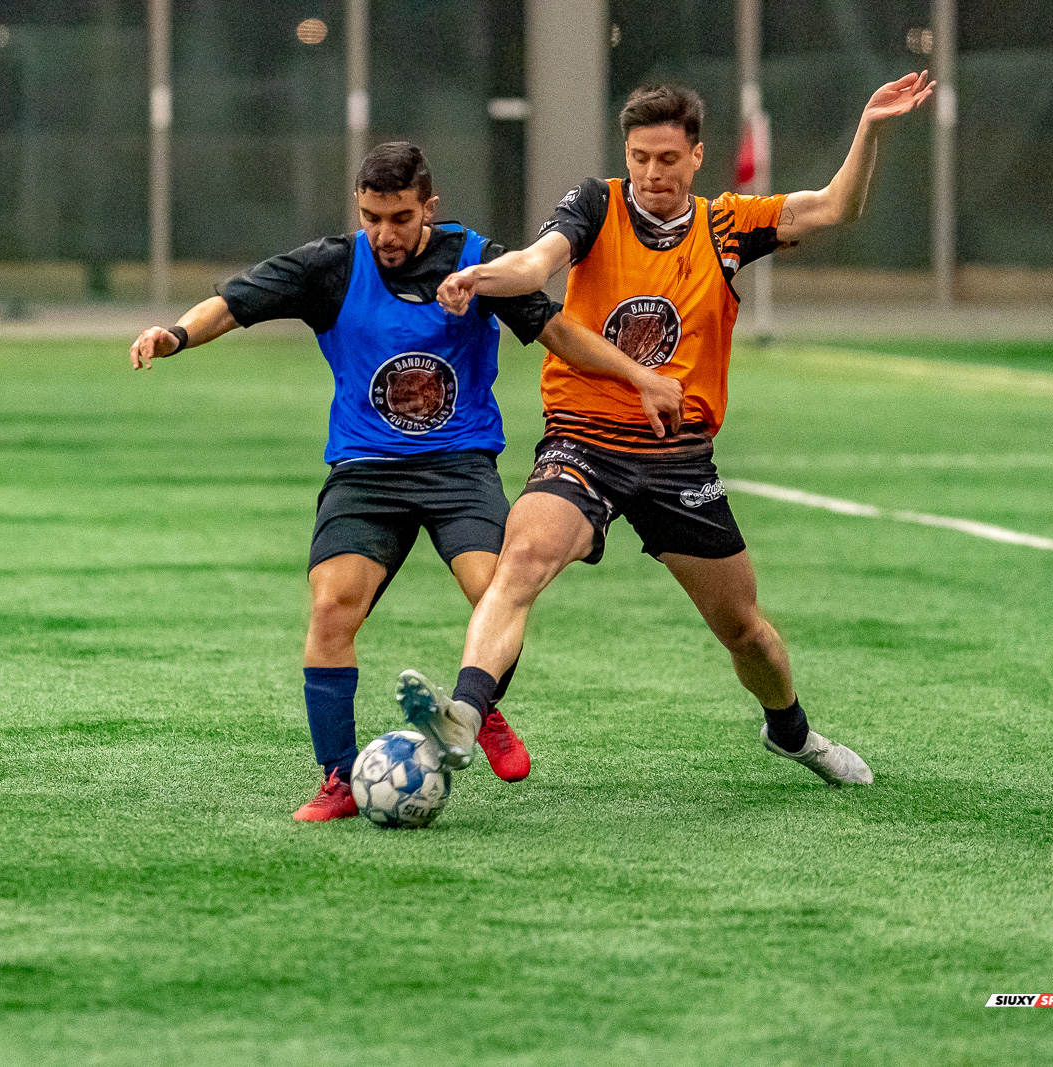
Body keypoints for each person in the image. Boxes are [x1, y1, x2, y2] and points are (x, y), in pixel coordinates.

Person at [396, 74, 935, 785]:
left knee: (746, 631)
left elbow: (838, 206)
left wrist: (871, 126)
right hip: (583, 438)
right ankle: (465, 712)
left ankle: (792, 733)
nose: (651, 173)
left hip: (678, 459)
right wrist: (482, 278)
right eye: (640, 157)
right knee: (521, 559)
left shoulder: (729, 225)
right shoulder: (596, 203)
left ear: (696, 157)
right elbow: (537, 262)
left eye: (667, 160)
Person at [129, 142, 683, 819]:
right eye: (371, 217)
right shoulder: (331, 265)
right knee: (332, 607)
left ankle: (478, 709)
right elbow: (233, 302)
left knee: (496, 590)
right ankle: (338, 778)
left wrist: (637, 374)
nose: (385, 234)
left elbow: (559, 332)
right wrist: (176, 336)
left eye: (398, 218)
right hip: (367, 469)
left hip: (459, 465)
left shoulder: (478, 263)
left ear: (429, 208)